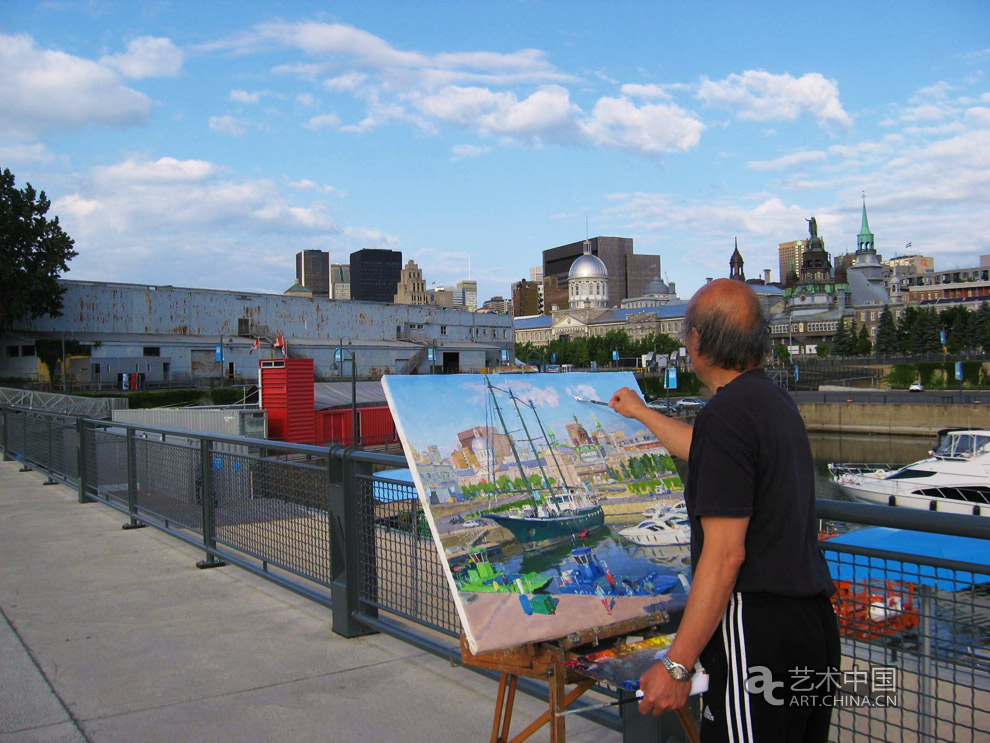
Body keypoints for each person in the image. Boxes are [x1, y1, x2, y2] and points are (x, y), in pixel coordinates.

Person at [609, 279, 839, 743]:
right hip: (810, 628)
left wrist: (677, 665)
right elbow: (707, 450)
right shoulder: (772, 402)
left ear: (696, 341)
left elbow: (725, 555)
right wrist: (641, 412)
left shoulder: (727, 415)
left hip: (756, 635)